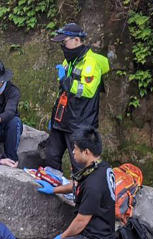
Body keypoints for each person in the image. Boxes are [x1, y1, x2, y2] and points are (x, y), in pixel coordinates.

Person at [43, 23, 110, 173]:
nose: (63, 46)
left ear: (77, 41)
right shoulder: (68, 61)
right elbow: (63, 93)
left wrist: (66, 81)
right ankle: (52, 188)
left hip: (81, 123)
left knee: (79, 164)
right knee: (51, 156)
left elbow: (88, 91)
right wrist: (54, 117)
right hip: (62, 120)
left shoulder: (90, 63)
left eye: (64, 42)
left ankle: (78, 193)